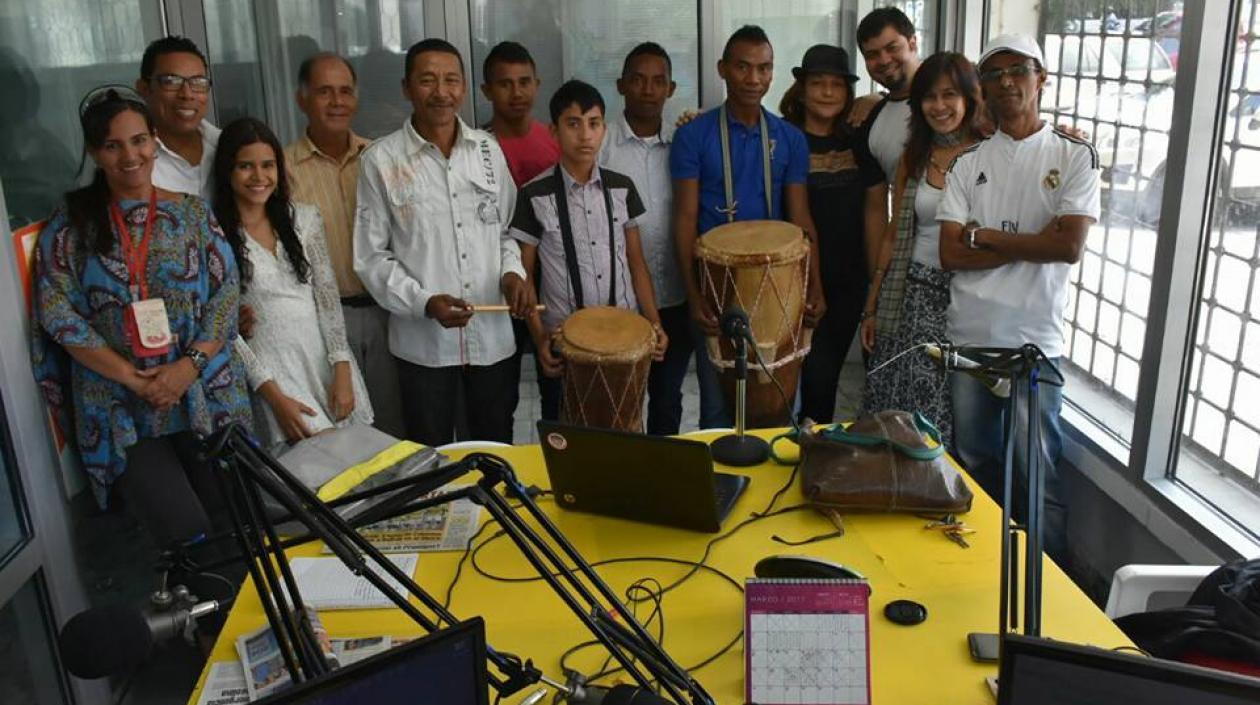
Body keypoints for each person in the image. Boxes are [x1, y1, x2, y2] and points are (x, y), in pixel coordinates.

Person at [30, 86, 250, 547]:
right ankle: (207, 618)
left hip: (204, 395)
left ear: (154, 141)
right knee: (185, 533)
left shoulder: (192, 213)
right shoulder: (71, 223)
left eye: (138, 141)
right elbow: (58, 314)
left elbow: (225, 296)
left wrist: (185, 368)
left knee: (237, 521)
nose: (129, 155)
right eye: (113, 145)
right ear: (94, 152)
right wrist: (137, 380)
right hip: (120, 406)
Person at [938, 34, 1101, 562]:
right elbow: (949, 255)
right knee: (976, 459)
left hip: (1035, 340)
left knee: (1039, 471)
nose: (1007, 82)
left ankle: (1052, 586)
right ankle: (983, 565)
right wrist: (1034, 242)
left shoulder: (1073, 154)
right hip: (971, 337)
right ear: (982, 88)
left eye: (1019, 70)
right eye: (994, 74)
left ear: (1042, 78)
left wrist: (984, 235)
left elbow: (1069, 245)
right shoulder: (966, 163)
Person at [354, 39, 532, 447]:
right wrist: (423, 302)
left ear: (464, 87)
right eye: (427, 80)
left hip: (491, 342)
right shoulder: (382, 160)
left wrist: (512, 273)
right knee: (431, 454)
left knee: (494, 449)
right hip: (423, 348)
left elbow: (504, 231)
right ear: (407, 88)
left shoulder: (487, 151)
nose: (441, 92)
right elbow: (371, 258)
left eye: (451, 80)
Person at [671, 25, 825, 428]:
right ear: (723, 69)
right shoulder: (693, 136)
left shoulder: (789, 138)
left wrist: (814, 284)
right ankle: (717, 489)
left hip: (779, 280)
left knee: (779, 399)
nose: (754, 79)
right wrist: (693, 294)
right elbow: (685, 219)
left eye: (764, 68)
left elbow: (801, 218)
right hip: (718, 281)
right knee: (718, 405)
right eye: (743, 67)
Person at [510, 80, 667, 421]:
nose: (585, 135)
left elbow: (636, 263)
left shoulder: (622, 187)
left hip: (624, 336)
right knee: (566, 433)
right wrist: (538, 340)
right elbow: (525, 276)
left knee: (625, 426)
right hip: (564, 341)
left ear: (604, 129)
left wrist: (654, 322)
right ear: (554, 131)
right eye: (573, 124)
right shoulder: (534, 194)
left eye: (593, 124)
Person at [213, 117, 373, 450]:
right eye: (245, 166)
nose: (259, 177)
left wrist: (341, 369)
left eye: (268, 165)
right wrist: (271, 393)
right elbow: (223, 326)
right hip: (271, 374)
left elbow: (327, 300)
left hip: (323, 363)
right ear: (227, 171)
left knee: (357, 467)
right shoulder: (213, 234)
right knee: (313, 473)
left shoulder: (304, 218)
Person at [859, 52, 987, 444]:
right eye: (929, 97)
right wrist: (873, 306)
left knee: (943, 414)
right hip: (909, 294)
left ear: (969, 97)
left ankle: (937, 496)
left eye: (949, 95)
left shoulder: (991, 154)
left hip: (964, 299)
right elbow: (895, 232)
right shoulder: (915, 155)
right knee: (892, 403)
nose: (939, 106)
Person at [285, 52, 405, 439]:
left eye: (345, 91)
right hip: (324, 323)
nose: (337, 102)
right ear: (302, 99)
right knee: (342, 433)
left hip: (388, 313)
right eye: (324, 92)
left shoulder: (381, 158)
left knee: (394, 427)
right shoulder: (282, 170)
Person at [778, 45, 883, 424]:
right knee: (785, 384)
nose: (826, 92)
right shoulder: (784, 138)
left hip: (849, 282)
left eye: (837, 85)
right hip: (795, 280)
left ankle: (816, 463)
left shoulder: (858, 140)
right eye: (818, 83)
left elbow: (903, 102)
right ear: (801, 90)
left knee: (824, 383)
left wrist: (875, 280)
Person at [599, 42, 689, 435]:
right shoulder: (600, 144)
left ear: (671, 89)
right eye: (638, 80)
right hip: (621, 302)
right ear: (621, 85)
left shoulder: (685, 144)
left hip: (676, 294)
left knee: (668, 398)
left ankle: (662, 482)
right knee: (622, 402)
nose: (648, 90)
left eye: (658, 81)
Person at [135, 36, 219, 199]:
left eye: (198, 82)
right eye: (171, 81)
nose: (187, 94)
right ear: (144, 88)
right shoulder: (131, 160)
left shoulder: (226, 145)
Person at [481, 41, 560, 186]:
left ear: (536, 86)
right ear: (487, 91)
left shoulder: (557, 140)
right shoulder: (475, 147)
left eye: (524, 83)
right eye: (505, 84)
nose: (516, 93)